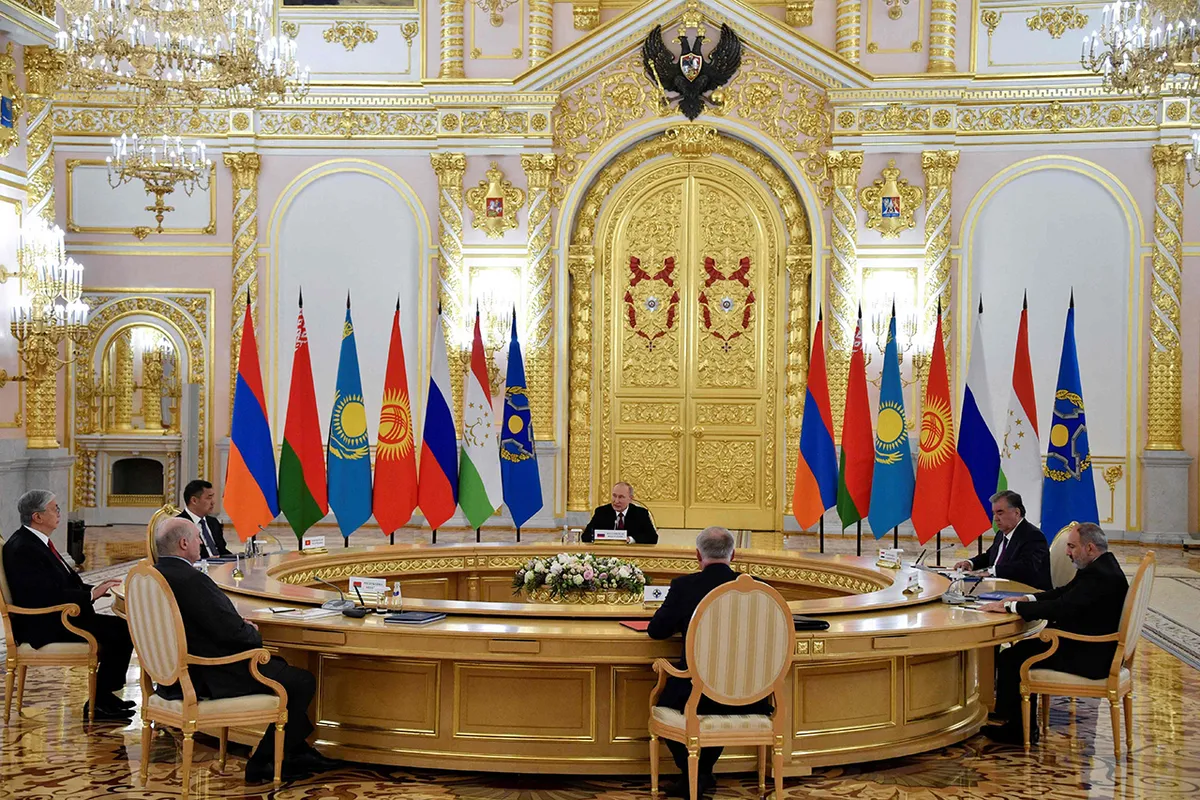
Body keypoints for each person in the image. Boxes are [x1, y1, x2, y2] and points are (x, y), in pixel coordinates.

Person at [153, 518, 340, 783]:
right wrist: (251, 630)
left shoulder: (156, 574)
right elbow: (233, 633)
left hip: (177, 675)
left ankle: (295, 750)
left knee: (282, 668)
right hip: (212, 674)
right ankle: (263, 761)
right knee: (300, 681)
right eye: (196, 538)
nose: (199, 543)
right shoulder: (192, 579)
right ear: (184, 543)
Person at [978, 522, 1128, 744]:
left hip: (1091, 656)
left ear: (1089, 548)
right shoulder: (1102, 566)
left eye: (1072, 547)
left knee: (1012, 658)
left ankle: (1018, 731)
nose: (1068, 552)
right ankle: (1010, 716)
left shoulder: (1099, 576)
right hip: (1091, 646)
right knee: (1018, 652)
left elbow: (1062, 607)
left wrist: (1011, 608)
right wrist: (1025, 599)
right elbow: (1063, 594)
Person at [648, 527, 769, 796]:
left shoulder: (683, 586)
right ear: (733, 554)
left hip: (695, 694)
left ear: (697, 555)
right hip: (749, 694)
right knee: (714, 704)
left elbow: (657, 631)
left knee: (667, 707)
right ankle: (703, 772)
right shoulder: (758, 588)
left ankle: (694, 773)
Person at [2, 490, 135, 721]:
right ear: (38, 517)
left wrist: (94, 589)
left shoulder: (35, 541)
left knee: (121, 628)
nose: (59, 513)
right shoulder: (24, 548)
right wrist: (91, 595)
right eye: (54, 509)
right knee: (120, 631)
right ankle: (100, 701)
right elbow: (42, 596)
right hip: (43, 624)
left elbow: (63, 582)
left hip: (56, 615)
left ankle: (103, 698)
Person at [955, 490, 1051, 591]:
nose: (995, 518)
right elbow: (990, 556)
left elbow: (1027, 568)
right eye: (994, 513)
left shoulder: (1033, 536)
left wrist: (992, 571)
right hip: (1000, 589)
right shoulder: (1001, 534)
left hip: (1027, 593)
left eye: (1000, 513)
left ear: (1017, 513)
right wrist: (970, 563)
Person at [582, 482, 658, 544]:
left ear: (630, 499)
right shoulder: (601, 512)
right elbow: (586, 536)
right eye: (614, 496)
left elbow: (653, 538)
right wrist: (602, 538)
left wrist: (631, 539)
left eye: (621, 497)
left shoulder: (641, 513)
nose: (616, 501)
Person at [178, 479, 231, 559]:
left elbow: (222, 551)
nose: (213, 502)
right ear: (194, 500)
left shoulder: (213, 522)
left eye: (213, 497)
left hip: (220, 567)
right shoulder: (180, 524)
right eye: (209, 498)